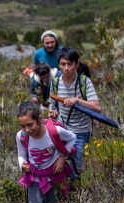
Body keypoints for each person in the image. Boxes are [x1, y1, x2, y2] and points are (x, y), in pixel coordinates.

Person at [16, 101, 76, 203]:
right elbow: (21, 154)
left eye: (30, 124)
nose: (27, 129)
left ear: (38, 119)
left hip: (54, 178)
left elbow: (73, 138)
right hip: (34, 179)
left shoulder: (54, 131)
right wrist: (22, 164)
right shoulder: (21, 136)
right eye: (23, 126)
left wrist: (62, 156)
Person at [49, 47, 101, 177]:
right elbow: (52, 103)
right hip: (62, 129)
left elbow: (97, 107)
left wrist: (78, 101)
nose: (66, 68)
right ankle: (63, 190)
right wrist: (53, 111)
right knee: (56, 162)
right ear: (58, 65)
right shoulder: (55, 82)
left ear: (76, 64)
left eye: (70, 64)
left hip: (81, 131)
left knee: (77, 166)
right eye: (63, 64)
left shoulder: (84, 82)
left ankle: (77, 191)